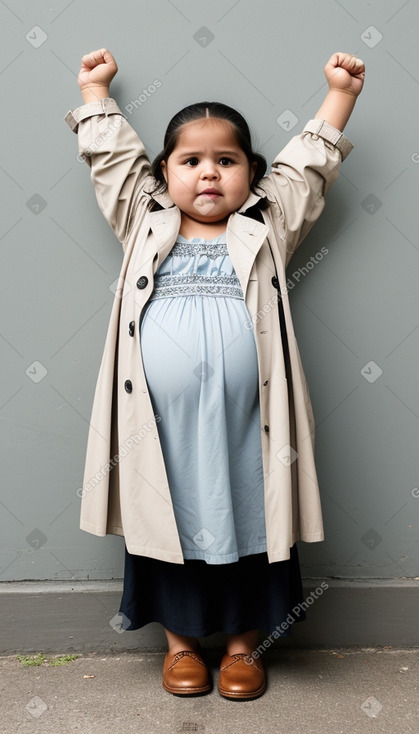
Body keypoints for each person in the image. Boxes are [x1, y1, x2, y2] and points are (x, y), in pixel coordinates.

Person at [64, 48, 365, 700]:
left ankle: (239, 648)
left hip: (250, 430)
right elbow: (113, 160)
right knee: (164, 524)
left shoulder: (264, 223)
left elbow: (306, 170)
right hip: (160, 432)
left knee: (253, 523)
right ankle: (178, 648)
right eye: (190, 162)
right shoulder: (143, 222)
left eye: (225, 162)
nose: (207, 175)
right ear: (163, 174)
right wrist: (94, 91)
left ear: (250, 175)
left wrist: (339, 94)